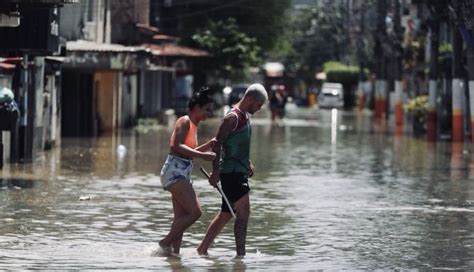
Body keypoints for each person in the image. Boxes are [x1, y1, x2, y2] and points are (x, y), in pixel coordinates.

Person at [197, 83, 268, 257]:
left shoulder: (245, 115)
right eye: (258, 105)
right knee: (243, 212)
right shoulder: (232, 118)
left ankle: (202, 249)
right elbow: (218, 144)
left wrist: (248, 162)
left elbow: (235, 144)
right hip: (231, 173)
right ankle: (240, 257)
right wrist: (215, 172)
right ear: (250, 100)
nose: (259, 109)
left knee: (227, 214)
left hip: (239, 170)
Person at [159, 87, 217, 255]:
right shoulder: (184, 120)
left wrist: (206, 146)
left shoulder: (194, 126)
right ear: (197, 107)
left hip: (182, 173)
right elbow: (176, 146)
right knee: (195, 212)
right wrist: (202, 154)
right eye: (207, 109)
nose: (208, 114)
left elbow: (188, 151)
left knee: (181, 218)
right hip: (174, 172)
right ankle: (165, 241)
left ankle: (174, 256)